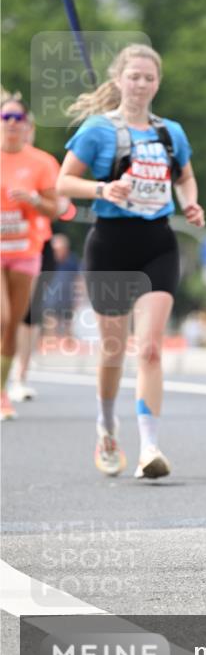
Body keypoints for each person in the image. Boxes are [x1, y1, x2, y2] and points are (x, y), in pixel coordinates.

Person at [56, 44, 205, 478]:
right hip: (111, 246)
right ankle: (106, 426)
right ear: (118, 80)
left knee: (152, 348)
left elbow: (186, 176)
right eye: (134, 76)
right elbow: (64, 182)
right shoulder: (97, 130)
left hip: (158, 244)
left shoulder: (170, 132)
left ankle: (149, 448)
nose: (141, 84)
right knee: (113, 350)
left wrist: (189, 202)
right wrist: (103, 189)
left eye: (149, 77)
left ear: (158, 83)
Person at [1, 94, 59, 420]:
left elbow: (55, 208)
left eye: (17, 118)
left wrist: (34, 199)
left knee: (13, 326)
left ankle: (3, 392)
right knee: (2, 318)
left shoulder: (42, 163)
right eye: (5, 117)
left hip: (25, 251)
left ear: (27, 126)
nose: (11, 124)